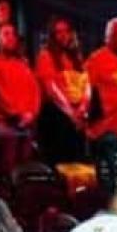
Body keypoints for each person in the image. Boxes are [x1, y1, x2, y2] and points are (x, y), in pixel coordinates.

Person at [0, 23, 40, 167]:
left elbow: (35, 90)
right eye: (6, 34)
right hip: (3, 123)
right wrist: (18, 114)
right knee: (7, 166)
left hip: (26, 123)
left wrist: (32, 113)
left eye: (13, 34)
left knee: (25, 167)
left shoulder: (22, 64)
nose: (11, 38)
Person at [35, 17, 91, 164]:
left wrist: (83, 109)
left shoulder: (76, 57)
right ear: (52, 35)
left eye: (66, 31)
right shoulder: (45, 56)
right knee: (60, 161)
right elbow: (52, 89)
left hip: (78, 115)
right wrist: (71, 113)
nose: (63, 35)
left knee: (77, 160)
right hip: (57, 116)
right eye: (58, 32)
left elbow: (87, 84)